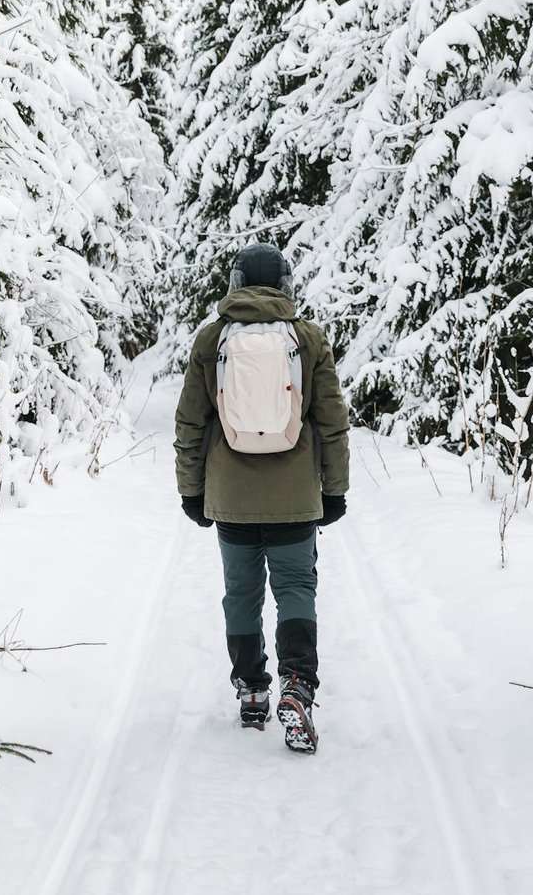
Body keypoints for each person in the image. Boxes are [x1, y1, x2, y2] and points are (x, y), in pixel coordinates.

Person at [173, 242, 351, 754]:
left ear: (234, 283)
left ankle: (251, 690)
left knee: (241, 593)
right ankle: (298, 686)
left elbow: (190, 423)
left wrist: (192, 490)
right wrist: (334, 489)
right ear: (285, 284)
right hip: (295, 497)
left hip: (230, 498)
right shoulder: (309, 338)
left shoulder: (211, 341)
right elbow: (332, 423)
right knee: (296, 588)